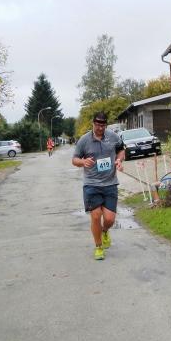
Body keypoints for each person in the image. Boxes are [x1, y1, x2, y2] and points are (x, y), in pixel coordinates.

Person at [72, 111, 125, 260]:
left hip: (110, 184)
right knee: (95, 217)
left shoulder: (113, 137)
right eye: (98, 125)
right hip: (92, 184)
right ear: (92, 123)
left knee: (109, 219)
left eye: (103, 125)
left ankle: (105, 231)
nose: (100, 128)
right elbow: (74, 160)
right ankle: (98, 247)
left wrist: (119, 160)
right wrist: (83, 162)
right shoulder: (84, 140)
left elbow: (121, 149)